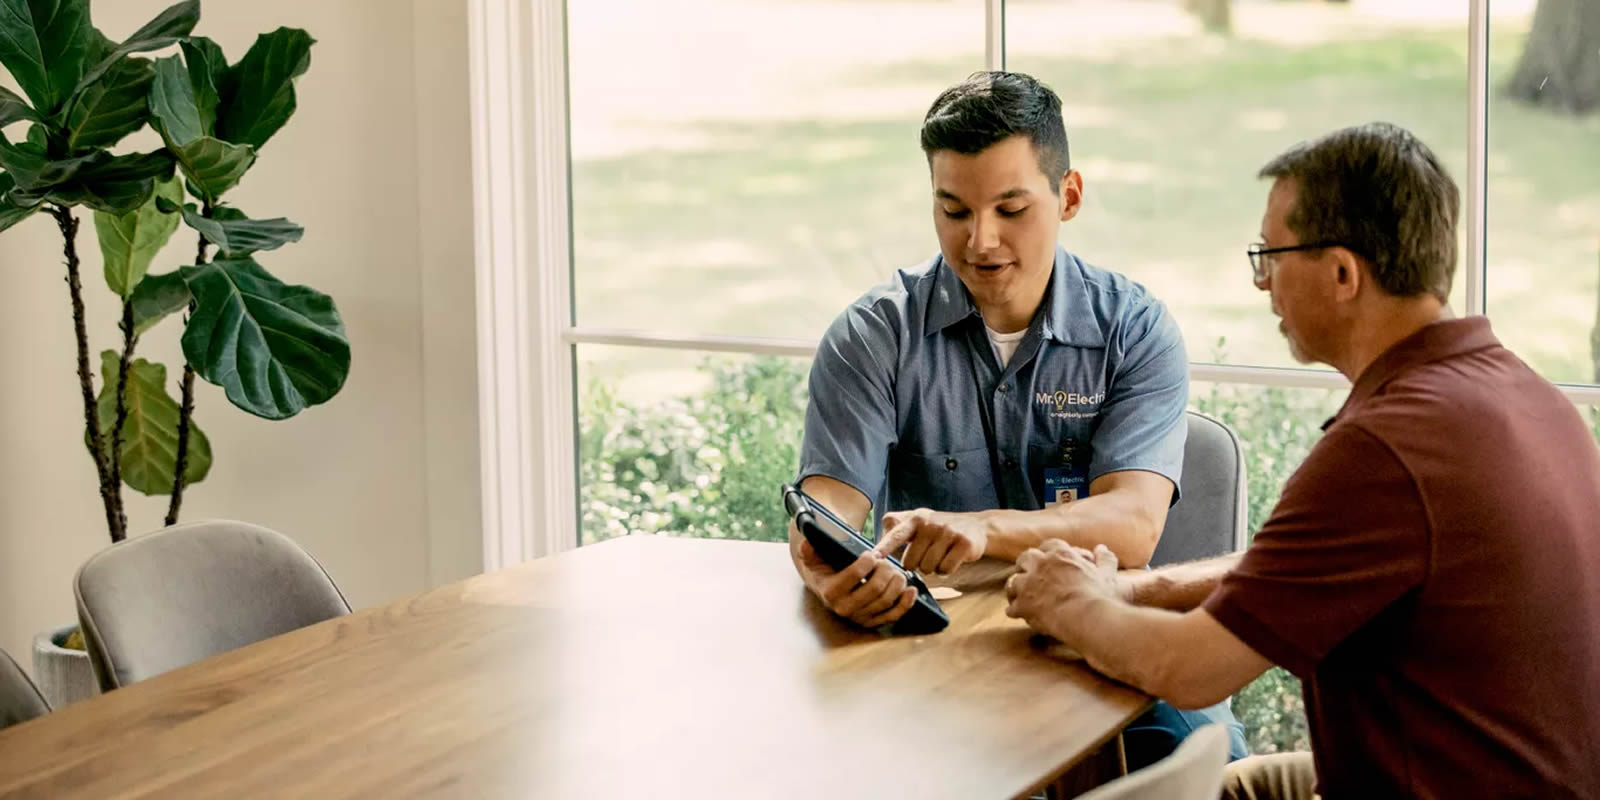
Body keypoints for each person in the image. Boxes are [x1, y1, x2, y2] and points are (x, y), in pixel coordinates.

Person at [1003, 122, 1600, 799]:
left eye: (1270, 256)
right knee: (1237, 788)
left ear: (1343, 273)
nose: (1262, 284)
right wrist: (1136, 589)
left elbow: (1191, 670)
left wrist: (1069, 599)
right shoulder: (1527, 395)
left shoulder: (1388, 448)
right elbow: (1301, 573)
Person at [787, 71, 1246, 767]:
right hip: (931, 659)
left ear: (1068, 197)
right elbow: (828, 510)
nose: (980, 241)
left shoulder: (1136, 330)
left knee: (1193, 764)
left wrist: (983, 529)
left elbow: (1131, 524)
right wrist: (826, 568)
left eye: (1010, 208)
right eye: (953, 210)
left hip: (1103, 644)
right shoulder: (871, 335)